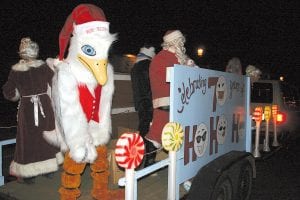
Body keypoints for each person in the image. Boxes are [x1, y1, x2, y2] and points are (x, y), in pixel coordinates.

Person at [2, 37, 63, 184]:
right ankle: (49, 169)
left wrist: (18, 93)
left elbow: (9, 92)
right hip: (44, 107)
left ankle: (28, 174)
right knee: (46, 135)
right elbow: (55, 83)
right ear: (35, 52)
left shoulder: (15, 71)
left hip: (27, 109)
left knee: (27, 139)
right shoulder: (43, 67)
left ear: (22, 53)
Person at [145, 30, 194, 162]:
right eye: (180, 41)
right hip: (167, 103)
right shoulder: (163, 58)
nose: (182, 44)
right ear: (174, 42)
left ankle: (177, 164)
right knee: (157, 134)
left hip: (180, 102)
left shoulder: (179, 57)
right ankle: (147, 164)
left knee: (165, 134)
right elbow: (168, 78)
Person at [130, 44, 156, 167]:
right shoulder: (149, 66)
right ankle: (149, 161)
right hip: (150, 104)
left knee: (142, 130)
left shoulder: (135, 67)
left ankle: (137, 158)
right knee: (151, 132)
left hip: (140, 104)